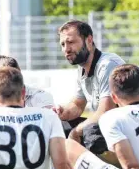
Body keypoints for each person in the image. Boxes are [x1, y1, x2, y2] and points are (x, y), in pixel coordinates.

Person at [53, 20, 125, 156]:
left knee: (91, 134)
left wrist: (76, 131)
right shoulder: (82, 68)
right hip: (112, 126)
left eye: (71, 42)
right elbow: (78, 104)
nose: (66, 49)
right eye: (63, 44)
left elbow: (105, 112)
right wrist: (64, 112)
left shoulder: (107, 64)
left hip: (126, 128)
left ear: (89, 40)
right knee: (60, 126)